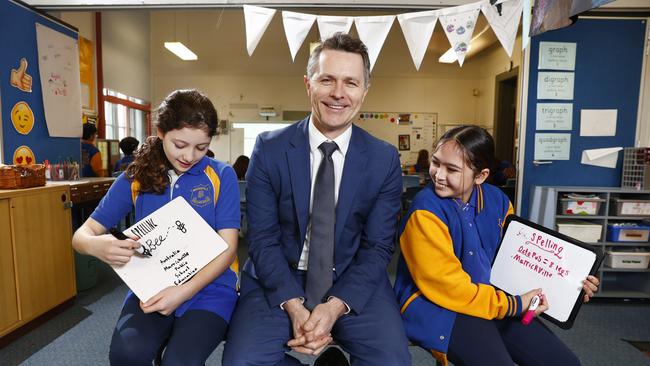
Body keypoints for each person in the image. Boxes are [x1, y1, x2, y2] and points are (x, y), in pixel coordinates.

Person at [223, 33, 411, 366]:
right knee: (242, 362)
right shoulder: (270, 148)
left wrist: (335, 305)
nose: (339, 93)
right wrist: (294, 305)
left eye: (351, 83)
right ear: (309, 84)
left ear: (364, 92)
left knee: (393, 361)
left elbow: (378, 247)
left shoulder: (383, 159)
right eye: (327, 80)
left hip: (352, 276)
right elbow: (263, 240)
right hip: (280, 273)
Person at [393, 125, 600, 366]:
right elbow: (449, 288)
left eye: (452, 169)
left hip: (497, 298)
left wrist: (570, 288)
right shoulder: (426, 209)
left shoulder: (498, 200)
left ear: (480, 176)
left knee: (565, 363)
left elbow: (521, 259)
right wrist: (513, 305)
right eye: (436, 163)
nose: (438, 174)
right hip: (440, 305)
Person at [71, 89, 240, 365]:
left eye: (201, 147)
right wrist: (97, 245)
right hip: (151, 286)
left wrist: (181, 293)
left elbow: (229, 247)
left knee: (179, 361)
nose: (189, 156)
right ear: (161, 133)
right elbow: (81, 236)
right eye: (180, 144)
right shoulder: (137, 176)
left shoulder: (221, 175)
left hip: (211, 289)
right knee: (127, 355)